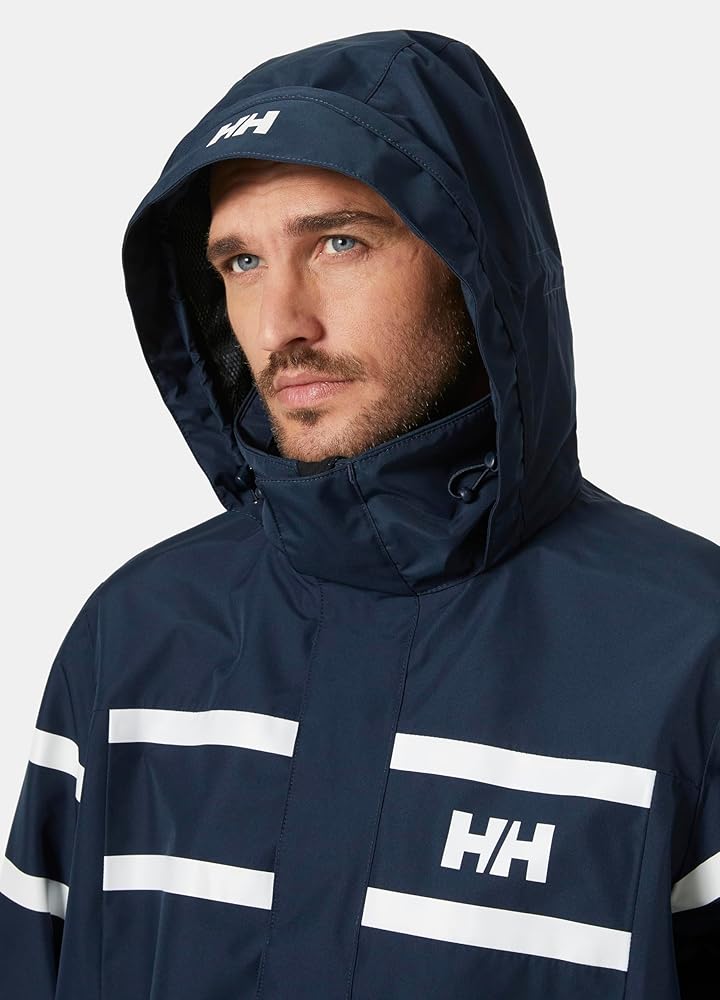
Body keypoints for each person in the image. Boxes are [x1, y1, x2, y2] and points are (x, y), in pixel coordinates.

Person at [0, 26, 717, 999]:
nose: (280, 324)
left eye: (339, 242)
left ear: (476, 262)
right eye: (240, 262)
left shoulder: (686, 656)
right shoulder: (133, 641)